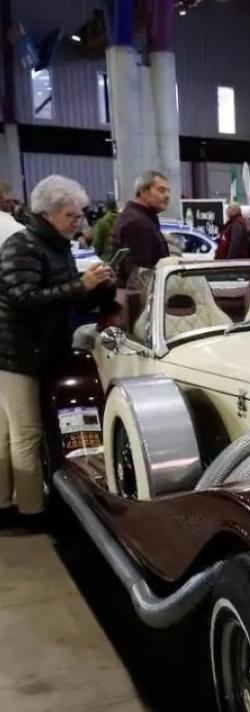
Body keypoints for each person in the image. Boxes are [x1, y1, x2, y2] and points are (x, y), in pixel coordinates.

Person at [0, 175, 114, 527]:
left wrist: (97, 288)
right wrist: (81, 285)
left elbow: (63, 294)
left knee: (8, 431)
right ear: (48, 213)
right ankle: (32, 512)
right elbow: (25, 299)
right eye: (71, 215)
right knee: (26, 433)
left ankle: (6, 502)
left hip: (35, 348)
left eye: (79, 214)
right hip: (16, 352)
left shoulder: (55, 244)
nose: (78, 221)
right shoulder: (23, 245)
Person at [108, 170, 170, 286]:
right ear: (143, 192)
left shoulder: (136, 216)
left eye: (167, 191)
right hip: (138, 299)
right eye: (161, 190)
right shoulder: (138, 223)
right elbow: (139, 276)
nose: (167, 196)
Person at [91, 195, 118, 259]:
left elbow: (96, 248)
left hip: (106, 261)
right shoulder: (123, 220)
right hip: (120, 260)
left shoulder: (102, 223)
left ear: (105, 207)